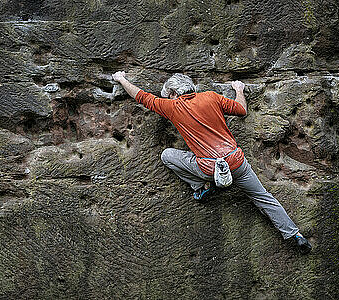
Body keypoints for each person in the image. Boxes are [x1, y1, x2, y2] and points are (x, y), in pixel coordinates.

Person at [112, 71, 312, 254]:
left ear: (173, 93)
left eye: (168, 96)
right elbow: (241, 109)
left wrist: (121, 79)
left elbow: (141, 96)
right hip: (236, 163)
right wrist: (239, 90)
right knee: (263, 197)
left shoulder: (172, 107)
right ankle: (295, 235)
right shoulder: (211, 97)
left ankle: (200, 187)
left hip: (209, 168)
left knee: (167, 155)